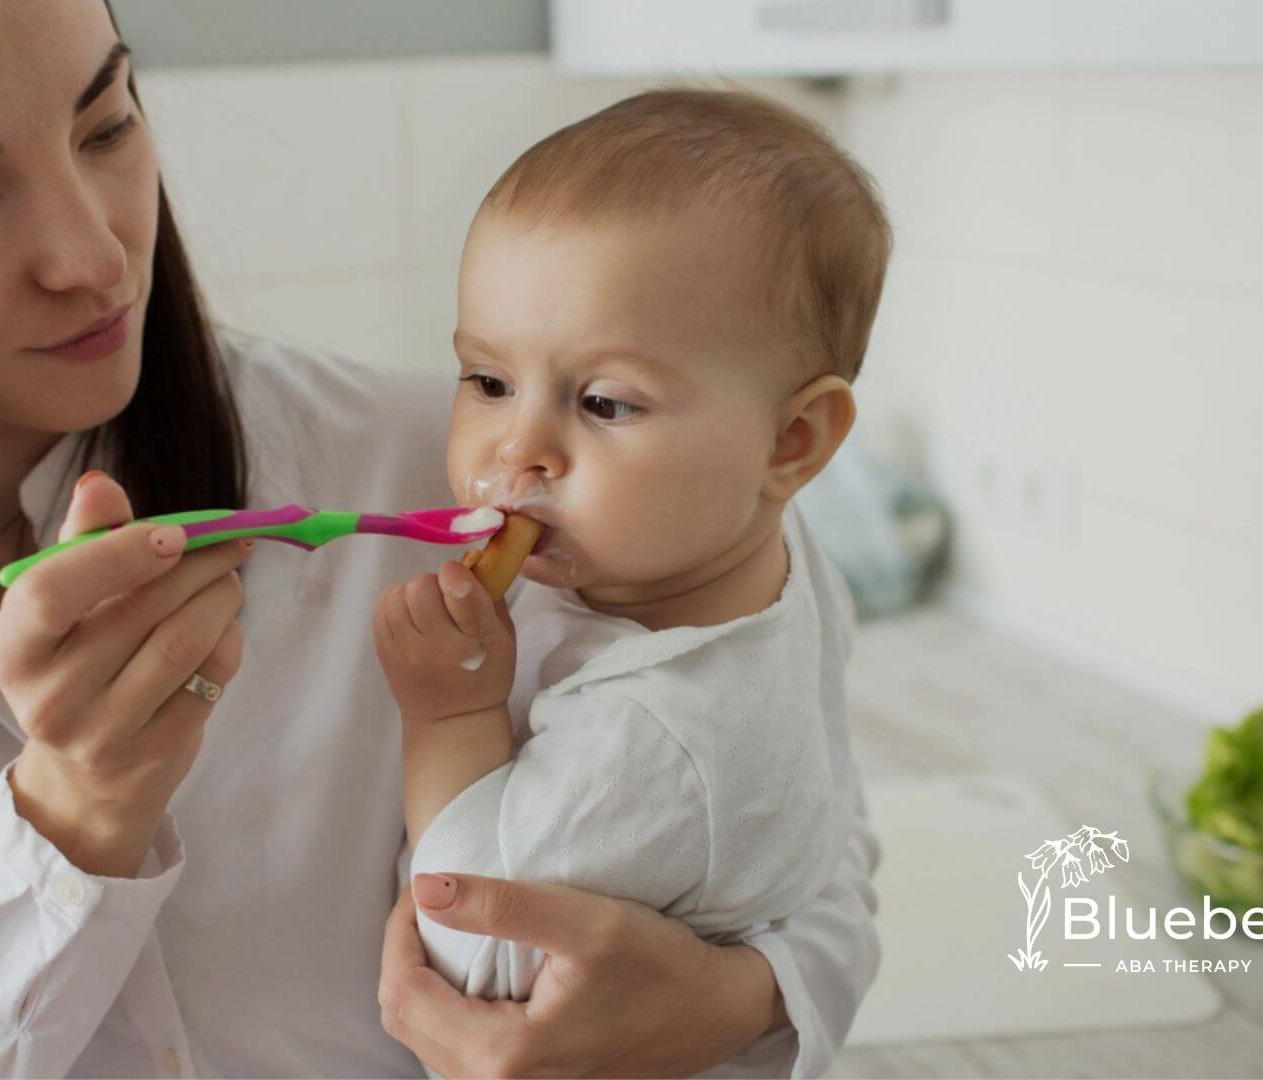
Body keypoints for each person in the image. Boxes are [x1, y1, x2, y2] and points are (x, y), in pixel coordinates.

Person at [0, 1, 881, 1075]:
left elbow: (806, 847)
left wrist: (723, 1001)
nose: (94, 254)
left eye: (109, 120)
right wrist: (66, 827)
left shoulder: (521, 486)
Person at [372, 89, 887, 1021]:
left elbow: (476, 958)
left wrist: (448, 713)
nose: (515, 452)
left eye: (605, 403)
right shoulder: (765, 542)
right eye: (489, 381)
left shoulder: (652, 739)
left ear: (791, 442)